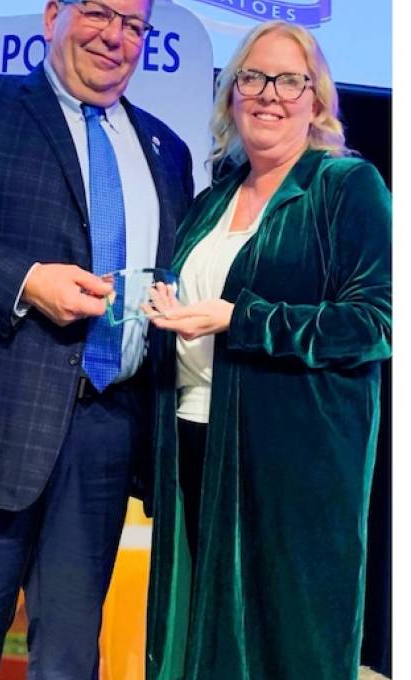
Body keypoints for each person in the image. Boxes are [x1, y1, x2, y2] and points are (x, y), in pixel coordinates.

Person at [0, 0, 195, 676]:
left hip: (106, 432)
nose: (115, 37)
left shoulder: (169, 150)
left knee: (71, 662)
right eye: (99, 12)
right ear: (52, 16)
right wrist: (27, 280)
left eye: (133, 25)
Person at [143, 21, 392, 680]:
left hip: (296, 472)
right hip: (195, 442)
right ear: (231, 95)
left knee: (285, 649)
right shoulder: (210, 200)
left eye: (289, 80)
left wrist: (240, 318)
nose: (268, 95)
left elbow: (373, 323)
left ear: (316, 100)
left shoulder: (345, 188)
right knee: (202, 643)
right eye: (252, 78)